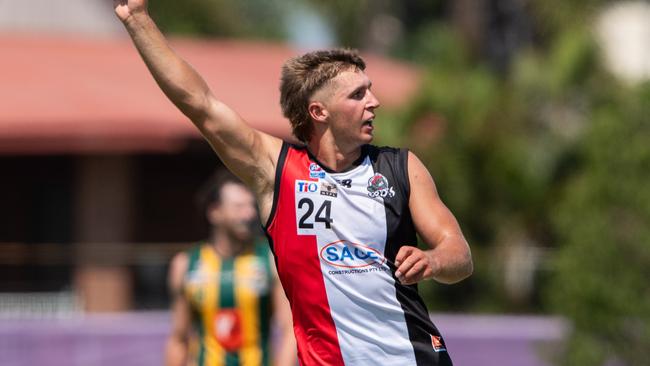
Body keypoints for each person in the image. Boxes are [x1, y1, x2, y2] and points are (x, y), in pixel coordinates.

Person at [114, 1, 473, 365]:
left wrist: (433, 260)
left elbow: (459, 253)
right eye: (358, 94)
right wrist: (138, 19)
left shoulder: (401, 167)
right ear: (319, 112)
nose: (374, 102)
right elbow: (200, 104)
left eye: (370, 89)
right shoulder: (277, 170)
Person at [165, 171, 297, 366]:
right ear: (214, 212)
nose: (249, 214)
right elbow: (179, 339)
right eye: (239, 207)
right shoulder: (185, 265)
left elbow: (289, 331)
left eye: (251, 206)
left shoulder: (269, 258)